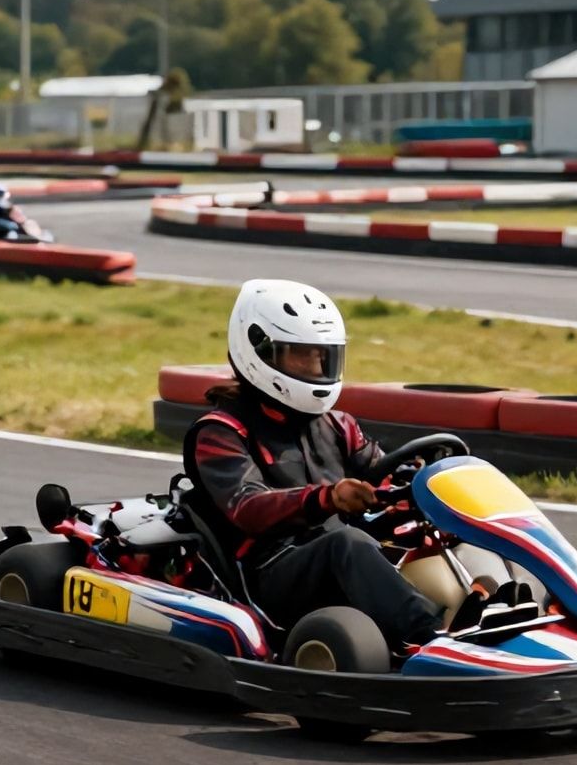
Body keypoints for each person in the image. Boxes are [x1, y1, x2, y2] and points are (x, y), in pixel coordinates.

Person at [182, 280, 514, 655]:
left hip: (340, 558)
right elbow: (248, 508)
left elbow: (381, 473)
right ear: (261, 352)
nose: (315, 366)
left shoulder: (337, 425)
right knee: (346, 543)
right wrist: (328, 498)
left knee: (450, 530)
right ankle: (434, 637)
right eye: (301, 355)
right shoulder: (221, 432)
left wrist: (418, 485)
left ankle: (509, 603)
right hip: (269, 574)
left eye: (323, 356)